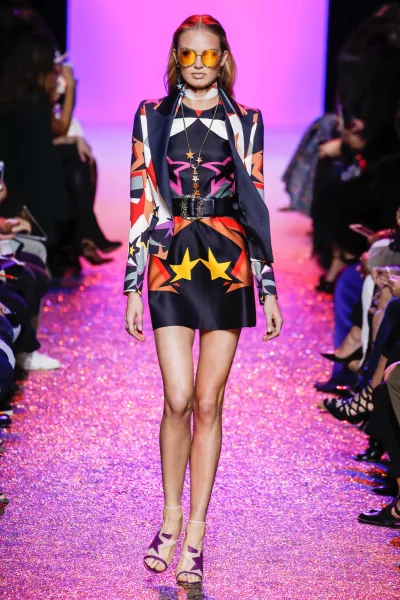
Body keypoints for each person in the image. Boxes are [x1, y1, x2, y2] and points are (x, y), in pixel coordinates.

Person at [124, 14, 283, 586]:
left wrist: (267, 287)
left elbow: (255, 206)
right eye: (188, 54)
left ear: (223, 59)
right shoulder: (151, 115)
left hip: (228, 261)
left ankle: (195, 531)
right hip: (169, 258)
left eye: (208, 54)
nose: (197, 63)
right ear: (176, 57)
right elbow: (141, 200)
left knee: (209, 403)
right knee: (178, 397)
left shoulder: (245, 121)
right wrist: (132, 285)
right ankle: (169, 517)